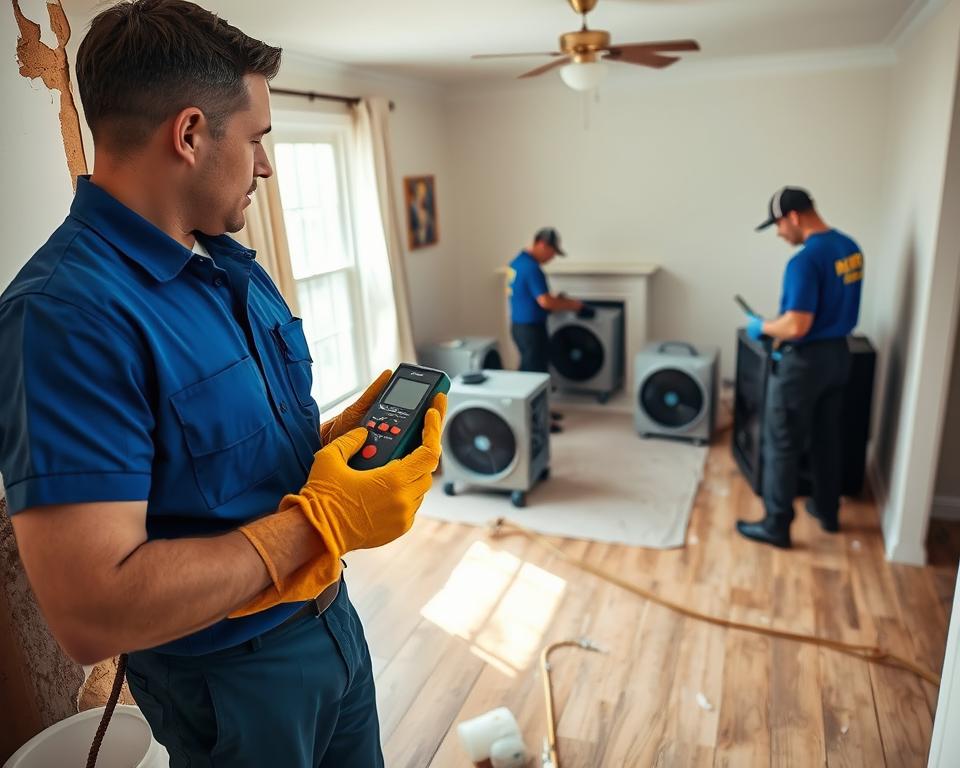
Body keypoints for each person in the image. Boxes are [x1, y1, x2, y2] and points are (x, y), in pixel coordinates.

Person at [0, 2, 445, 766]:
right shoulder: (65, 317)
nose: (267, 165)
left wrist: (332, 442)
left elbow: (237, 453)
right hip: (234, 681)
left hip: (331, 622)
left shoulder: (227, 262)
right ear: (190, 133)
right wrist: (322, 523)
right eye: (258, 139)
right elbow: (92, 613)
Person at [736, 187, 863, 548]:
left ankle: (776, 525)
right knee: (826, 438)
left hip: (804, 365)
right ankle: (827, 510)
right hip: (839, 356)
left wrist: (760, 326)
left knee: (782, 443)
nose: (778, 233)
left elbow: (796, 326)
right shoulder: (850, 249)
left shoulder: (804, 261)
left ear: (793, 216)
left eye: (777, 224)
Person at [507, 227, 589, 433]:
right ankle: (538, 422)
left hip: (519, 327)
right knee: (534, 377)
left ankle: (540, 413)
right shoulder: (532, 268)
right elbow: (545, 301)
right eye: (552, 253)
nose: (552, 258)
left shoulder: (516, 263)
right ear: (542, 244)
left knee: (529, 372)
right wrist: (573, 305)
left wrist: (558, 301)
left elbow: (531, 297)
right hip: (532, 329)